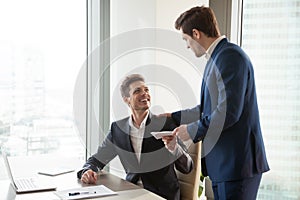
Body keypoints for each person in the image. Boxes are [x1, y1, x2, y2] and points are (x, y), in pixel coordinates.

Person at [168, 6, 270, 200]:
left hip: (236, 165)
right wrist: (173, 117)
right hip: (225, 165)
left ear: (196, 34)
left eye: (186, 39)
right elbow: (208, 108)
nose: (187, 46)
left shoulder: (230, 57)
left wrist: (190, 130)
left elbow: (228, 112)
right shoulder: (218, 57)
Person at [77, 74, 193, 200]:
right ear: (126, 99)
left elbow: (188, 167)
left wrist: (175, 148)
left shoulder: (166, 123)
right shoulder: (118, 129)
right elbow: (97, 159)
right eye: (138, 91)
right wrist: (87, 171)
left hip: (161, 195)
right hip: (131, 192)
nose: (145, 94)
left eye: (146, 90)